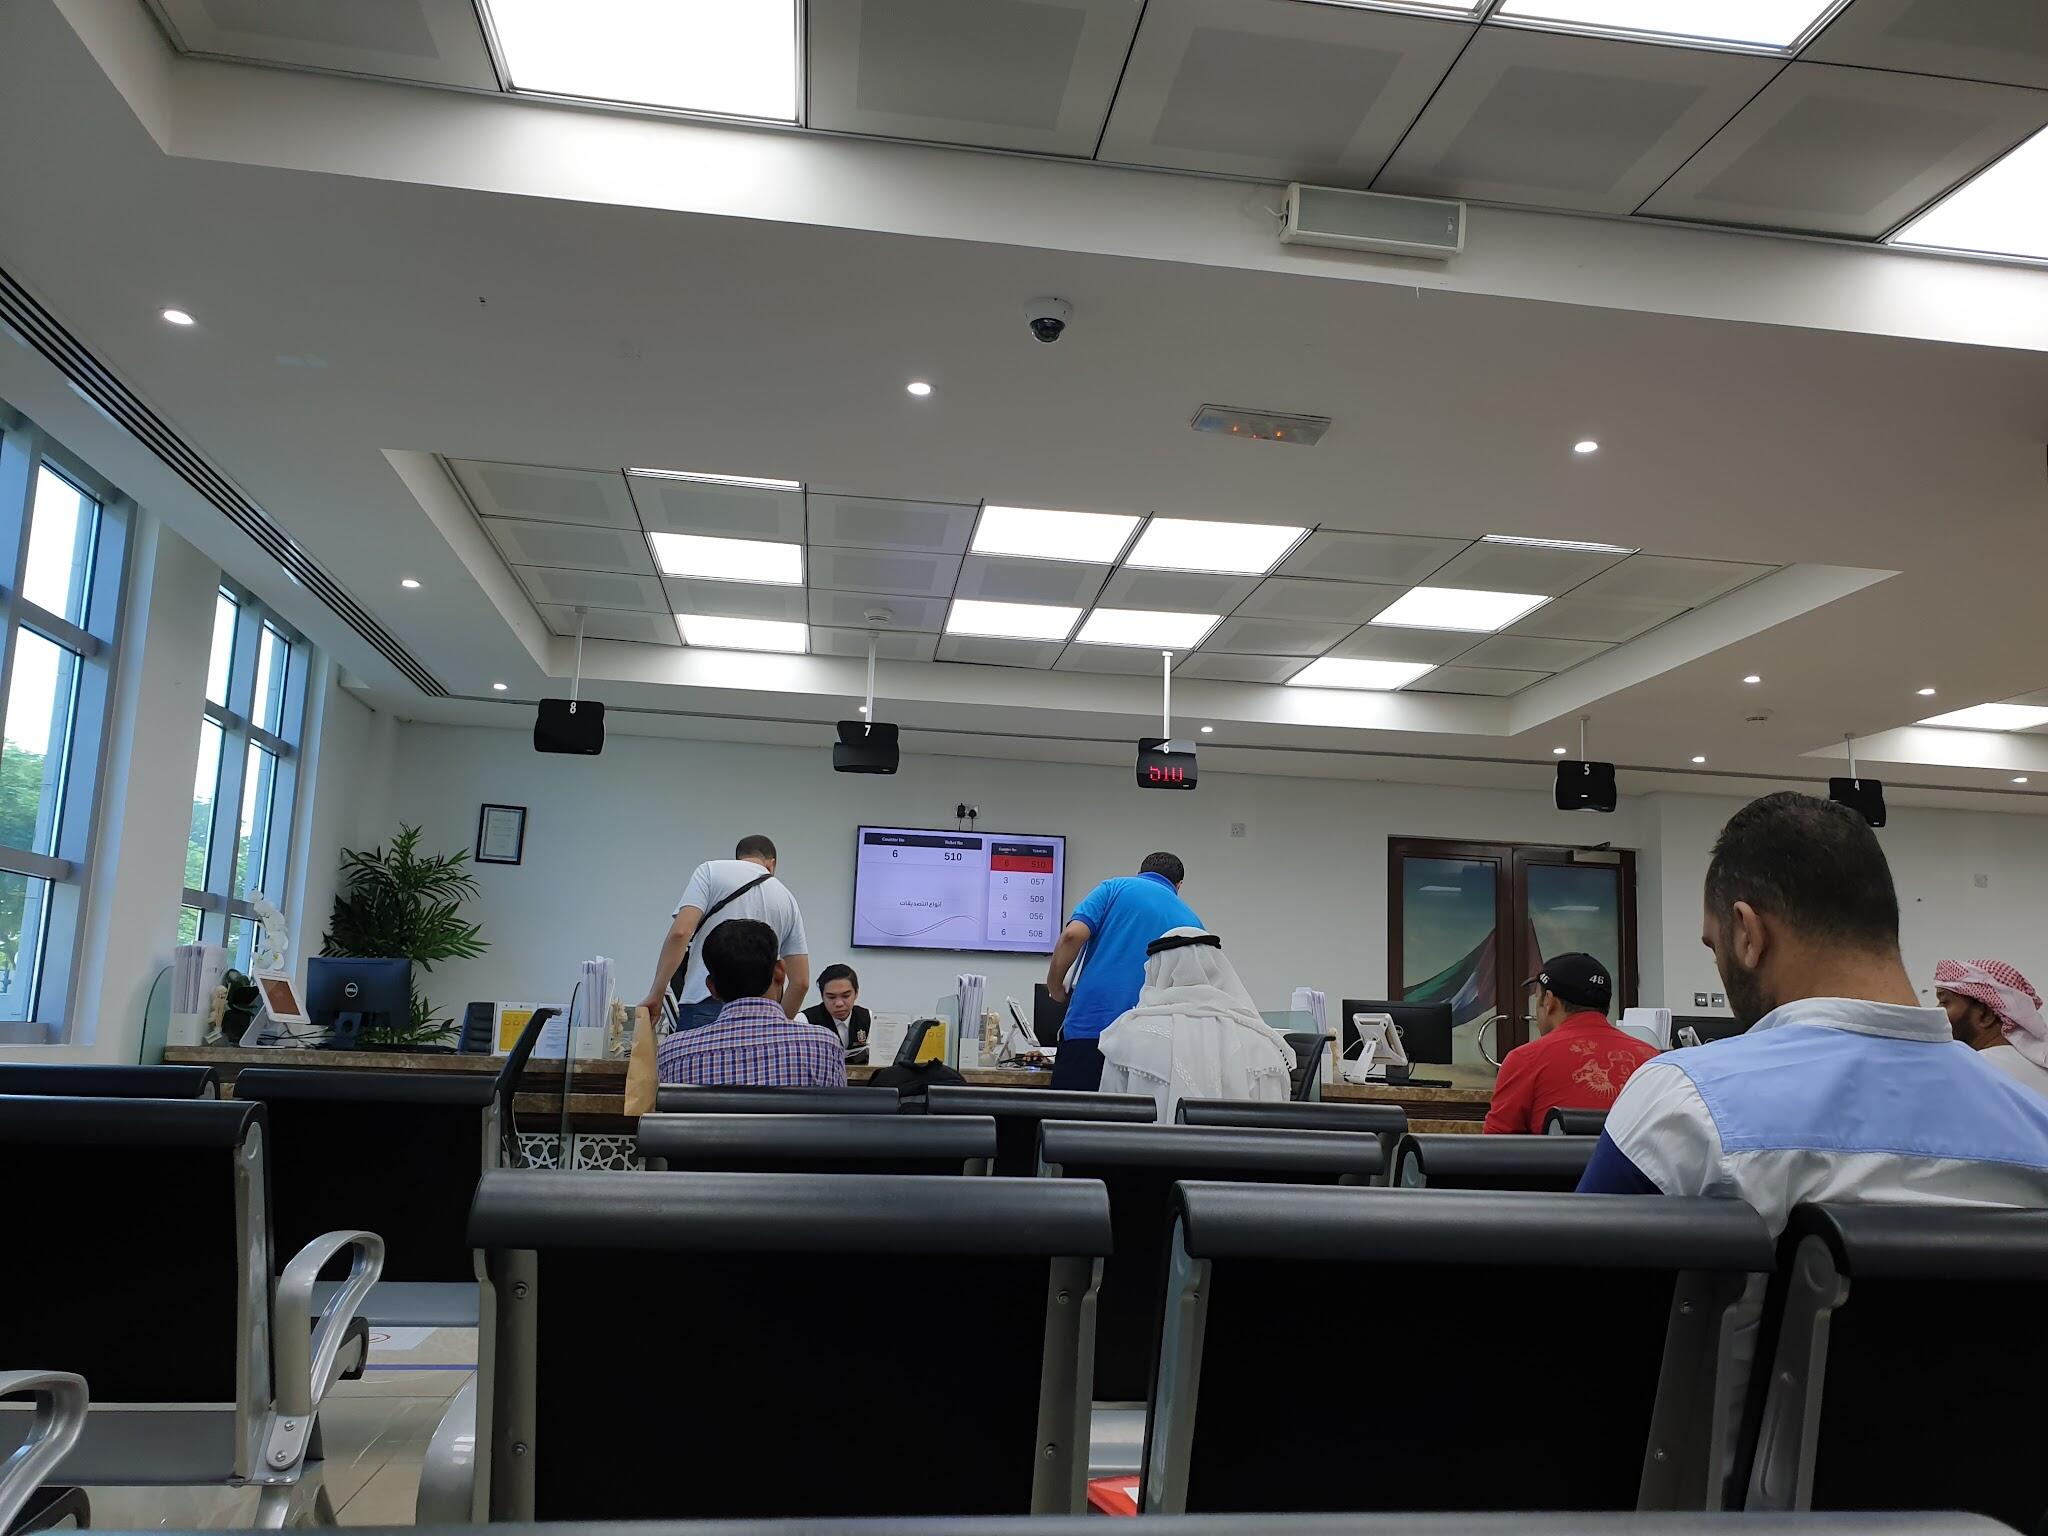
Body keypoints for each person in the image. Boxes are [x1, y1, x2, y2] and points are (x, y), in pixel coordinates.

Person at [1578, 792, 2048, 1231]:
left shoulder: (1684, 1101)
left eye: (1714, 946)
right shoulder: (2035, 1123)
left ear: (1747, 933)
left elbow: (1581, 1277)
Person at [1098, 928, 1295, 1120]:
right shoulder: (1261, 1043)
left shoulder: (1126, 1038)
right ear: (1217, 968)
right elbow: (1275, 1128)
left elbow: (1109, 1125)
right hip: (1242, 1144)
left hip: (1148, 1144)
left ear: (1155, 969)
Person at [1044, 852, 1201, 1091]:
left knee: (1073, 1113)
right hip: (1153, 1046)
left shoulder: (1114, 888)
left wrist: (1055, 988)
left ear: (1140, 873)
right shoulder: (1193, 922)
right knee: (1134, 1116)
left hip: (1091, 1030)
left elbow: (1072, 936)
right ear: (1178, 885)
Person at [640, 834, 809, 1031]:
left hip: (705, 1001)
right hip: (762, 1012)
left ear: (738, 858)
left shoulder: (710, 872)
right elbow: (801, 982)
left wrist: (657, 992)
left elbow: (681, 932)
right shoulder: (787, 898)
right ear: (771, 864)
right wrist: (778, 1027)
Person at [1482, 952, 1656, 1134]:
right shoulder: (1652, 1060)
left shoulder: (1525, 1059)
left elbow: (1495, 1146)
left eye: (1537, 998)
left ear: (1548, 1001)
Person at [657, 919, 844, 1087]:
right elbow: (838, 1113)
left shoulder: (674, 1053)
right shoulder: (825, 1047)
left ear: (711, 987)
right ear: (780, 972)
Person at [1935, 957, 2048, 1099]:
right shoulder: (2039, 1066)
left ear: (1986, 1015)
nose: (1937, 1011)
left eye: (1944, 1002)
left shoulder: (1970, 1069)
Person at [802, 963, 872, 1051]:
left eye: (846, 996)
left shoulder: (868, 1017)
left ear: (856, 993)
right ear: (822, 996)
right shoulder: (804, 1021)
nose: (839, 1003)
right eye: (831, 997)